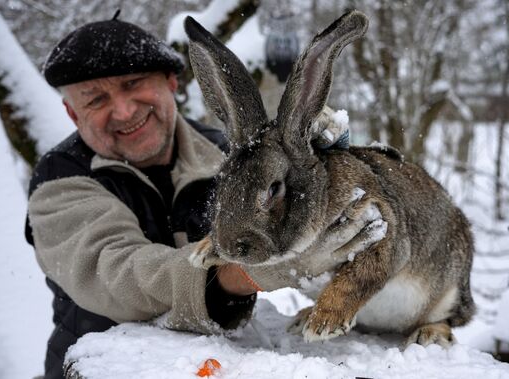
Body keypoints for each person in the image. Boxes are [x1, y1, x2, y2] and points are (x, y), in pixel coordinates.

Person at [25, 13, 358, 379]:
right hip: (104, 367)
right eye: (95, 99)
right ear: (73, 113)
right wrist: (242, 273)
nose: (123, 110)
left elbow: (295, 206)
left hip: (218, 363)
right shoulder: (60, 179)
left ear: (172, 81)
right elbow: (119, 273)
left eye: (133, 83)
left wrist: (311, 167)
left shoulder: (227, 155)